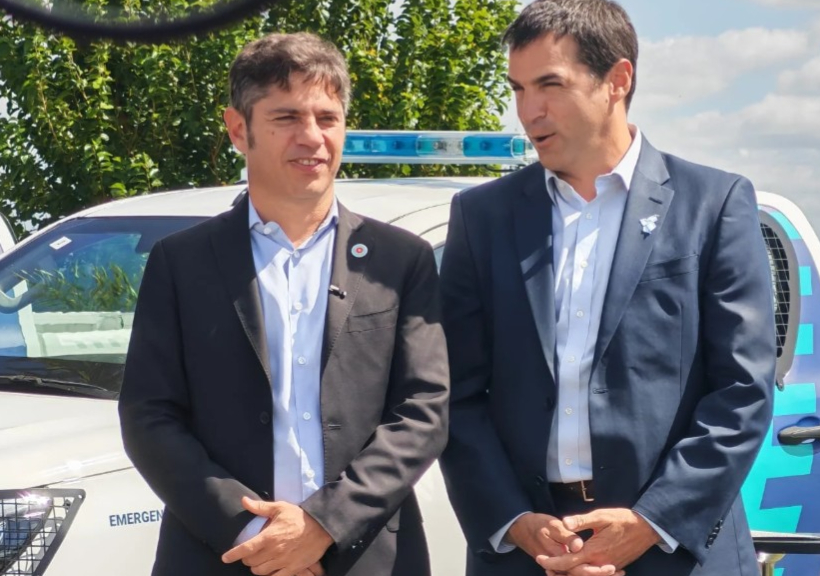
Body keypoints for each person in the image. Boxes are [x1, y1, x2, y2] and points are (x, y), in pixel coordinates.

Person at [438, 1, 776, 575]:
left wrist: (650, 523)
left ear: (618, 80)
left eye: (550, 84)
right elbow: (456, 393)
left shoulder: (712, 204)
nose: (529, 111)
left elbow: (742, 388)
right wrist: (512, 520)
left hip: (672, 550)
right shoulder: (481, 216)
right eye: (519, 89)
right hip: (528, 552)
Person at [118, 32, 449, 576]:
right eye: (287, 118)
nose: (312, 137)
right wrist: (256, 533)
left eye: (327, 117)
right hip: (221, 554)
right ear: (237, 128)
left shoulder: (400, 260)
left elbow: (423, 413)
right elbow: (148, 416)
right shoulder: (182, 263)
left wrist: (322, 525)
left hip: (366, 556)